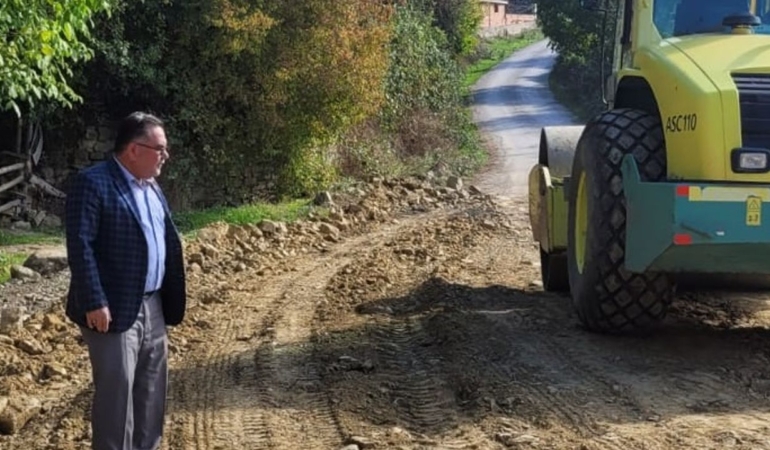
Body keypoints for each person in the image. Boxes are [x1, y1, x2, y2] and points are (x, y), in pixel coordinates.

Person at [64, 111, 187, 450]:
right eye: (159, 148)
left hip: (154, 304)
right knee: (116, 398)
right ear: (134, 149)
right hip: (112, 308)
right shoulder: (94, 182)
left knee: (151, 391)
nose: (165, 155)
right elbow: (80, 245)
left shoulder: (152, 187)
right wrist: (93, 300)